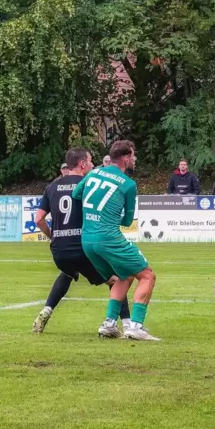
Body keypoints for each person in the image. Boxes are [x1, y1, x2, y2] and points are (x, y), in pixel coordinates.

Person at [32, 148, 130, 334]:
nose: (93, 165)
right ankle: (126, 324)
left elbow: (38, 219)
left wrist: (54, 236)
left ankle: (46, 310)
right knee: (117, 279)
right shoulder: (88, 184)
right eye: (91, 161)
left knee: (67, 273)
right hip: (83, 249)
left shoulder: (52, 186)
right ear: (82, 164)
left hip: (59, 251)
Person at [73, 140, 160, 341]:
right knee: (147, 275)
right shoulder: (128, 184)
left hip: (87, 240)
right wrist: (109, 217)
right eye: (134, 155)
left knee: (125, 276)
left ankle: (109, 324)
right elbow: (128, 221)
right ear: (126, 157)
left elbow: (77, 194)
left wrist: (94, 214)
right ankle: (136, 326)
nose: (135, 159)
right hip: (108, 237)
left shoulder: (93, 173)